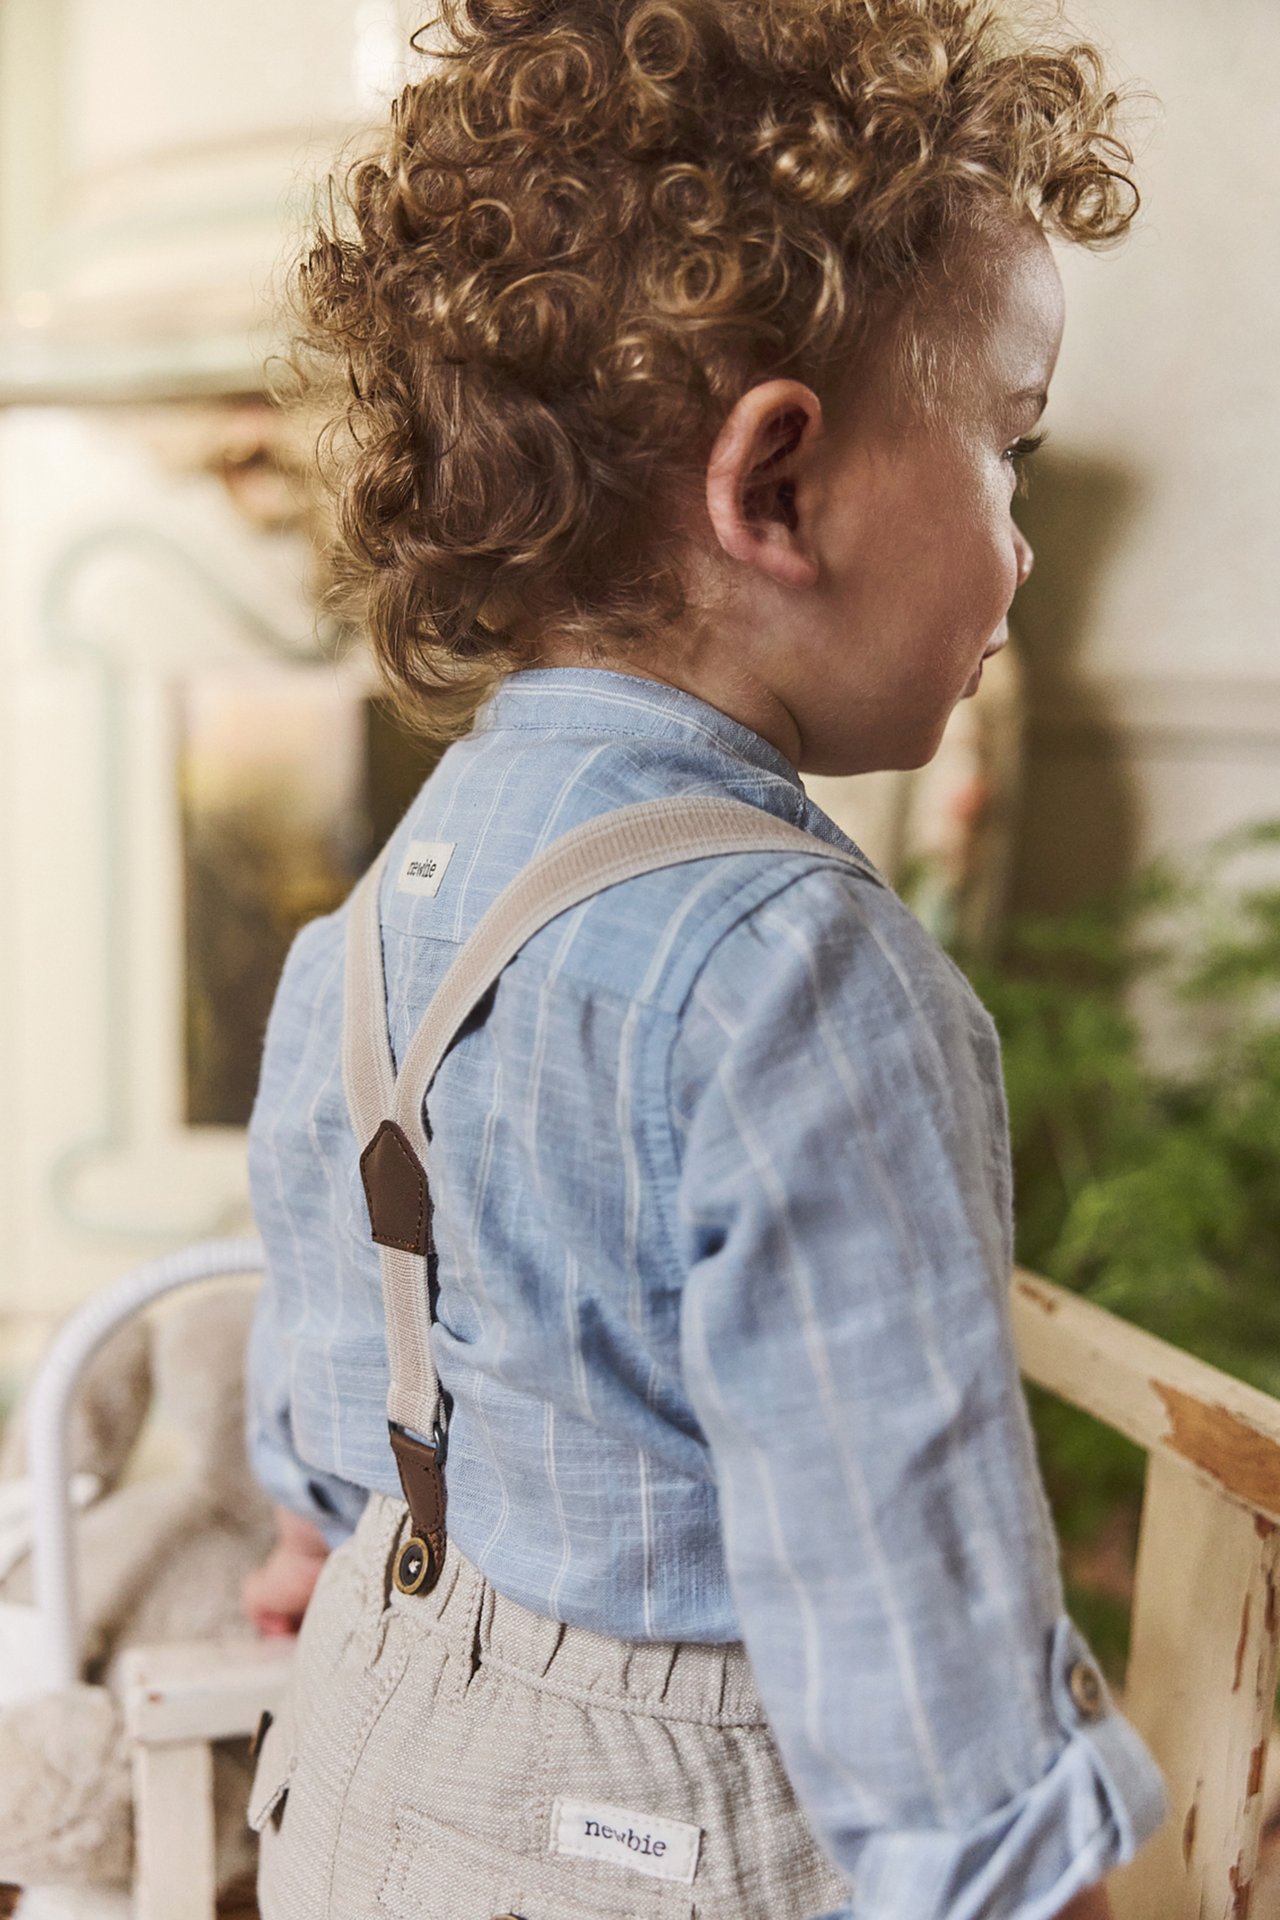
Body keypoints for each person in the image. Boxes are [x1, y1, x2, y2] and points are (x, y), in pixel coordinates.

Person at [241, 1, 1167, 1915]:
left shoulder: (372, 914)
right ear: (777, 489)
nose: (1017, 548)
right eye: (1008, 454)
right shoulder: (800, 979)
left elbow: (332, 1438)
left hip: (357, 1783)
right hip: (654, 1859)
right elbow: (929, 1696)